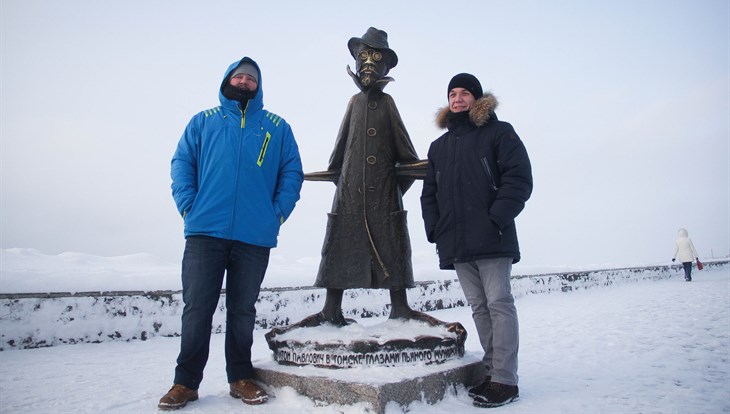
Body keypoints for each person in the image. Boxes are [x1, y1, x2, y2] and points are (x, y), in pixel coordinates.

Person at [158, 57, 304, 410]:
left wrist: (276, 215)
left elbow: (292, 173)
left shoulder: (276, 127)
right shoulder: (203, 122)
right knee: (197, 309)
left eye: (250, 79)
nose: (244, 82)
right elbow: (181, 164)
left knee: (242, 311)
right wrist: (188, 205)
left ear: (259, 85)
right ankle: (185, 382)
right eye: (238, 76)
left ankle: (240, 377)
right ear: (227, 80)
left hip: (254, 235)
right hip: (205, 231)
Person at [300, 27, 434, 326]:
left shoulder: (387, 104)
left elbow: (407, 157)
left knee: (391, 249)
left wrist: (390, 190)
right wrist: (341, 181)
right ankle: (331, 309)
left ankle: (400, 307)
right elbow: (339, 153)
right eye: (363, 56)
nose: (368, 62)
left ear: (386, 64)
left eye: (375, 56)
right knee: (340, 246)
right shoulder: (354, 103)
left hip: (384, 200)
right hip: (348, 196)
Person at [420, 73, 533, 408]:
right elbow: (430, 194)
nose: (457, 98)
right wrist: (435, 229)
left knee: (499, 304)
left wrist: (495, 217)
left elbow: (519, 178)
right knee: (480, 308)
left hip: (492, 237)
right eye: (452, 93)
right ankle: (490, 371)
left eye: (464, 93)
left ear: (476, 98)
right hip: (456, 242)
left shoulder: (499, 133)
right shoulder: (439, 147)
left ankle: (505, 380)